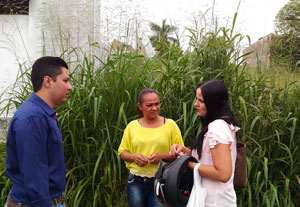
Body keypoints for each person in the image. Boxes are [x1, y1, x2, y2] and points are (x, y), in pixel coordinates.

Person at [5, 56, 73, 207]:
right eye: (65, 80)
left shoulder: (42, 114)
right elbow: (34, 175)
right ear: (48, 81)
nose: (70, 87)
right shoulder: (33, 118)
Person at [170, 79, 239, 207]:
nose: (196, 104)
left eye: (201, 101)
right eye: (196, 99)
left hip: (215, 202)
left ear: (213, 103)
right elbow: (211, 159)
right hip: (208, 199)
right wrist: (187, 152)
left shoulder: (217, 129)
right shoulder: (221, 124)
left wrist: (187, 164)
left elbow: (223, 174)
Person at [118, 88, 184, 207]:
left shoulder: (170, 125)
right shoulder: (132, 126)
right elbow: (122, 152)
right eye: (149, 105)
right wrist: (134, 157)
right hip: (135, 181)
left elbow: (181, 156)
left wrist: (162, 156)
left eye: (157, 104)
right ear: (140, 106)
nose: (154, 108)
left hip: (161, 181)